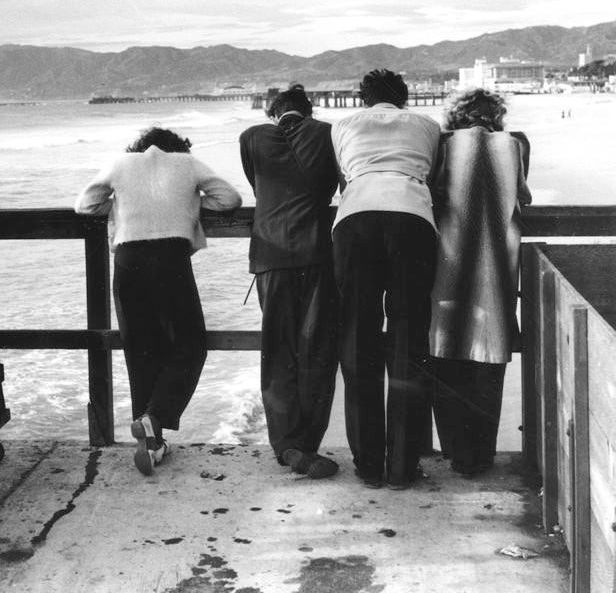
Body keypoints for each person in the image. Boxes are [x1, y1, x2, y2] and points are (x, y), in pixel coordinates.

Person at [75, 127, 241, 475]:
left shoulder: (121, 163)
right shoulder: (188, 163)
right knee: (190, 345)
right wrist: (191, 201)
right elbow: (229, 199)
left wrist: (120, 204)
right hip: (170, 258)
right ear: (178, 148)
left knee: (140, 351)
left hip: (128, 260)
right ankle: (154, 419)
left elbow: (85, 204)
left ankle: (151, 443)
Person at [331, 69, 440, 489]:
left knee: (358, 338)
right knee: (409, 338)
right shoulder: (427, 126)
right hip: (412, 218)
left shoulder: (343, 125)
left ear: (362, 97)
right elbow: (431, 174)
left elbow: (344, 176)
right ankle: (403, 465)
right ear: (405, 97)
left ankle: (368, 464)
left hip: (356, 219)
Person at [239, 84, 342, 479]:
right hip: (317, 253)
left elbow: (257, 185)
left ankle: (286, 445)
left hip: (270, 257)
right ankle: (309, 443)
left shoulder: (250, 138)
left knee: (277, 350)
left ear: (272, 112)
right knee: (317, 348)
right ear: (309, 111)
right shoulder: (327, 133)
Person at [429, 89, 531, 476]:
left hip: (449, 265)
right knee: (489, 360)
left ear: (455, 116)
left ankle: (456, 452)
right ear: (497, 116)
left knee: (446, 354)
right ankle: (480, 457)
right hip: (498, 271)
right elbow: (523, 193)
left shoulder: (443, 145)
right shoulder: (517, 145)